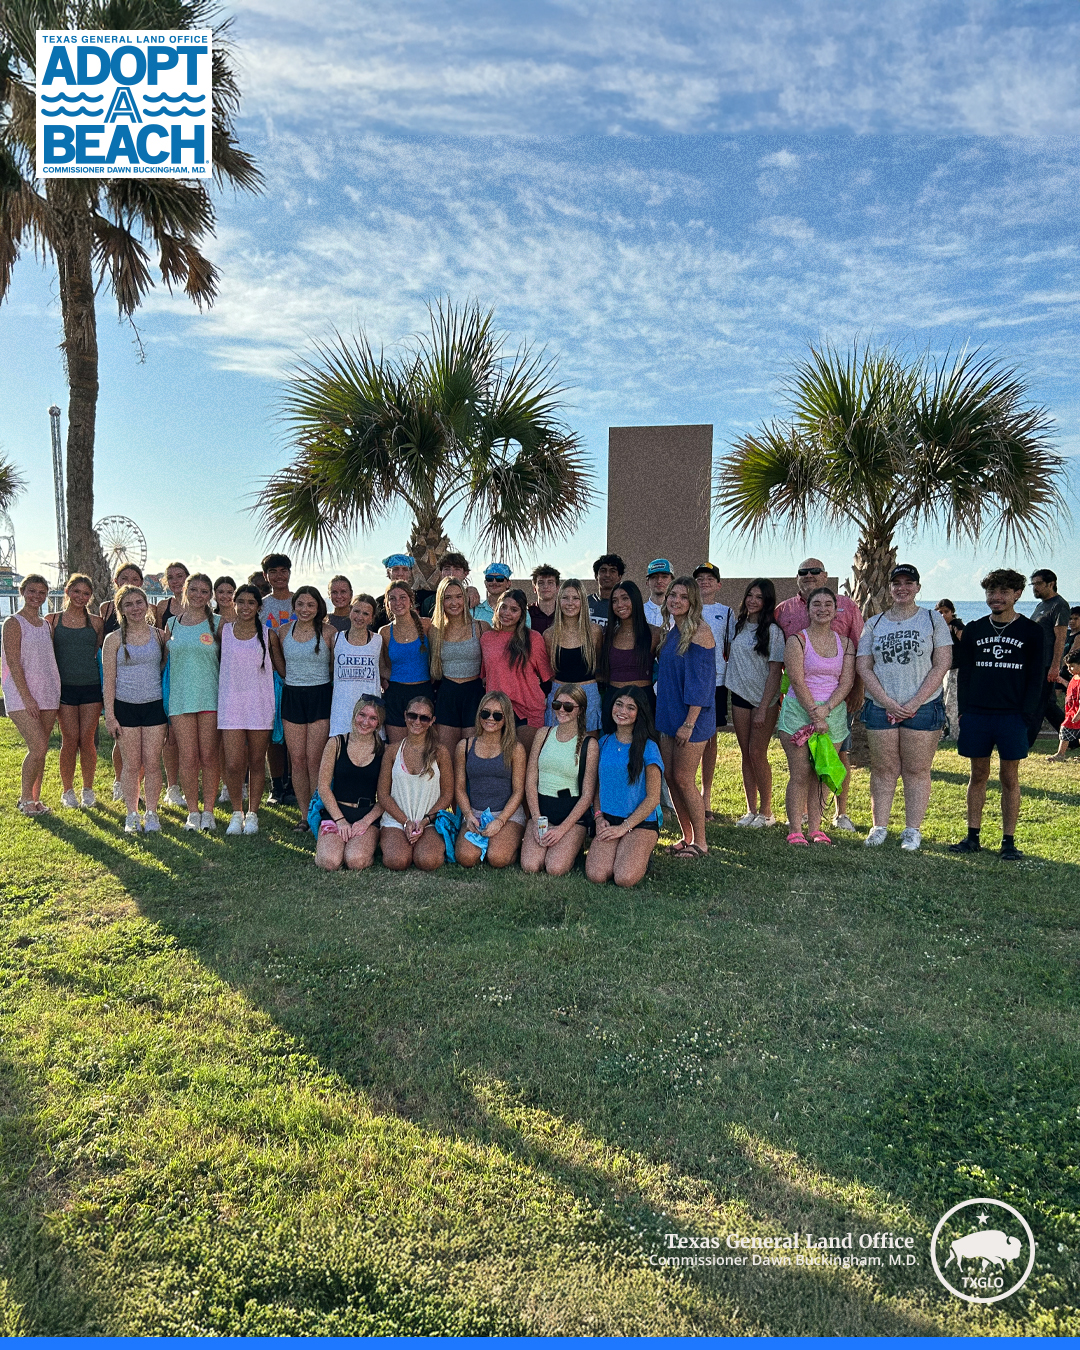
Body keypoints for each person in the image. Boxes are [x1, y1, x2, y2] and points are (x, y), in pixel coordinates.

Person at [948, 569, 1044, 860]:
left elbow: (1035, 678)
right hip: (977, 714)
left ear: (1017, 594)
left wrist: (1026, 716)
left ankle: (1008, 841)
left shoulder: (1031, 631)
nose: (996, 597)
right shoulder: (976, 629)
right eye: (991, 592)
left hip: (1012, 716)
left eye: (1003, 592)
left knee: (1009, 777)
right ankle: (972, 836)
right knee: (977, 774)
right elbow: (964, 675)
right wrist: (964, 712)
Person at [857, 565, 952, 851]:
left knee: (917, 769)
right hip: (881, 706)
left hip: (922, 707)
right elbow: (864, 664)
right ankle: (879, 827)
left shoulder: (932, 619)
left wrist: (914, 702)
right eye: (896, 583)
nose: (902, 588)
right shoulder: (875, 623)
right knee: (883, 768)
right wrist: (886, 701)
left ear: (918, 587)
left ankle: (912, 830)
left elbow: (942, 663)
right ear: (889, 588)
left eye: (908, 582)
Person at [775, 558, 864, 831]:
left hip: (833, 714)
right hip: (799, 711)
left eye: (828, 605)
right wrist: (815, 711)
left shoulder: (846, 640)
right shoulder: (794, 634)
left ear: (836, 609)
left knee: (822, 773)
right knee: (800, 774)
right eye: (817, 605)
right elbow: (797, 679)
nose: (822, 609)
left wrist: (828, 710)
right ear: (808, 610)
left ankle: (817, 827)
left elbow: (847, 679)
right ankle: (796, 830)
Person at [654, 576, 716, 858]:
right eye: (672, 595)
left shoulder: (700, 632)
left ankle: (701, 842)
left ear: (693, 602)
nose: (676, 600)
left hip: (692, 718)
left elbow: (701, 684)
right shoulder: (672, 631)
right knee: (670, 776)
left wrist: (689, 723)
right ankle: (686, 835)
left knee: (683, 777)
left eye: (683, 596)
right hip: (668, 714)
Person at [101, 585, 168, 833]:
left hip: (154, 708)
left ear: (147, 604)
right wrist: (110, 715)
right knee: (131, 764)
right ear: (121, 610)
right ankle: (132, 814)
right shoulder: (113, 639)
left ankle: (152, 813)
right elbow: (108, 681)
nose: (135, 608)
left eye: (139, 602)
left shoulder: (160, 636)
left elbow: (163, 669)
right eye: (128, 604)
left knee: (152, 763)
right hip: (125, 708)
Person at [270, 585, 336, 830]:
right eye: (300, 604)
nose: (305, 609)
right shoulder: (283, 631)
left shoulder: (329, 632)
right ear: (294, 606)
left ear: (318, 606)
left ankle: (318, 811)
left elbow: (333, 667)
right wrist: (295, 681)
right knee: (297, 760)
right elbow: (280, 665)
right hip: (293, 696)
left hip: (320, 696)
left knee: (315, 760)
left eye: (310, 605)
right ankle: (303, 814)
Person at [587, 686, 663, 887]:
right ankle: (622, 850)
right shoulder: (603, 743)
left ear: (640, 713)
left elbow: (653, 798)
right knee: (596, 874)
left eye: (631, 707)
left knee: (624, 878)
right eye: (618, 704)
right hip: (608, 819)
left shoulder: (649, 747)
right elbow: (597, 787)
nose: (622, 711)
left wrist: (624, 828)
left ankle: (641, 852)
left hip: (639, 822)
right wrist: (598, 817)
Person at [520, 682, 598, 877]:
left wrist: (562, 830)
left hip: (571, 815)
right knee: (530, 866)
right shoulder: (543, 734)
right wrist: (537, 819)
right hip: (543, 810)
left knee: (555, 868)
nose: (561, 710)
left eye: (568, 706)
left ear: (580, 710)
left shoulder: (590, 744)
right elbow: (530, 780)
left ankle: (575, 842)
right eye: (557, 705)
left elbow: (587, 794)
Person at [164, 573, 222, 831]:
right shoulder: (171, 624)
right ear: (185, 590)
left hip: (210, 697)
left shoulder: (219, 624)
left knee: (208, 756)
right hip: (180, 700)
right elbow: (164, 664)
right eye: (194, 590)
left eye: (204, 591)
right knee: (187, 758)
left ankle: (208, 810)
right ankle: (193, 812)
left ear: (210, 596)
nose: (199, 595)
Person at [217, 583, 275, 836]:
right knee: (232, 764)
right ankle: (236, 812)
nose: (245, 607)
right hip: (230, 705)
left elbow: (281, 669)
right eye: (240, 602)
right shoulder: (224, 631)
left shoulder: (268, 634)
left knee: (256, 762)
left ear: (259, 606)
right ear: (234, 603)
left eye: (251, 603)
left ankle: (253, 814)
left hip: (260, 706)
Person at [726, 578, 785, 826]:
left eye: (759, 597)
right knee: (745, 753)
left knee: (757, 752)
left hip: (764, 700)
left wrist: (763, 707)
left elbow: (775, 672)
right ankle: (750, 810)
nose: (753, 601)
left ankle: (766, 812)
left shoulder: (773, 631)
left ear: (767, 601)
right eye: (750, 595)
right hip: (739, 696)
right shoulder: (737, 626)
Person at [1, 574, 61, 816]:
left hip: (48, 691)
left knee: (42, 748)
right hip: (22, 694)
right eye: (32, 591)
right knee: (37, 747)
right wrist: (27, 698)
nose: (37, 596)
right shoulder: (13, 623)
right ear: (22, 592)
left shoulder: (46, 625)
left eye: (42, 592)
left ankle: (35, 800)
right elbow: (13, 663)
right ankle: (25, 799)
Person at [46, 573, 104, 808]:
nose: (81, 597)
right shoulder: (52, 620)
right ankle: (67, 790)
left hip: (91, 686)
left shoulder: (97, 622)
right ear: (67, 591)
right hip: (64, 689)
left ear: (90, 597)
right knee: (70, 739)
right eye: (77, 591)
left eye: (86, 594)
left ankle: (87, 789)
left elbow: (98, 655)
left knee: (87, 739)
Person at [378, 694, 453, 870]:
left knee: (428, 861)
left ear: (432, 720)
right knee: (397, 861)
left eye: (424, 718)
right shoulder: (392, 751)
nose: (417, 721)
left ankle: (421, 845)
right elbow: (383, 794)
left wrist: (425, 820)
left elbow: (447, 794)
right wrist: (405, 822)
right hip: (397, 820)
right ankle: (400, 844)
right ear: (405, 716)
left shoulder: (440, 752)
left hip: (429, 821)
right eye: (412, 716)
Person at [454, 691, 527, 869]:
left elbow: (518, 791)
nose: (490, 719)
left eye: (497, 715)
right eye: (485, 713)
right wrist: (469, 816)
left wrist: (501, 820)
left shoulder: (515, 748)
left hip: (507, 814)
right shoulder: (465, 746)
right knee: (465, 858)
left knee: (498, 858)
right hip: (475, 813)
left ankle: (509, 844)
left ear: (506, 718)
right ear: (479, 715)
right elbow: (460, 788)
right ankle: (488, 844)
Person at [315, 695, 385, 871]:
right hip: (337, 811)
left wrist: (366, 821)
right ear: (354, 714)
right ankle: (333, 845)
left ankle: (364, 846)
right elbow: (323, 787)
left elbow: (386, 795)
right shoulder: (336, 743)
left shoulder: (384, 750)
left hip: (367, 814)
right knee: (329, 862)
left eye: (373, 718)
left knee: (355, 860)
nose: (365, 722)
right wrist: (340, 821)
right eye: (362, 715)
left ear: (379, 723)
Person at [480, 587, 553, 752]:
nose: (507, 613)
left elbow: (547, 678)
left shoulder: (533, 638)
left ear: (522, 614)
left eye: (514, 610)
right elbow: (486, 677)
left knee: (525, 763)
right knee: (501, 765)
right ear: (497, 607)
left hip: (528, 711)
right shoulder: (487, 638)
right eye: (503, 607)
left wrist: (540, 699)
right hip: (496, 712)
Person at [692, 563, 737, 821]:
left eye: (710, 578)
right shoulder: (684, 607)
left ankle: (705, 795)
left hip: (716, 683)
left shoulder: (726, 613)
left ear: (719, 584)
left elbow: (731, 647)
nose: (704, 582)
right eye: (699, 578)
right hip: (688, 682)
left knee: (709, 739)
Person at [99, 563, 147, 799]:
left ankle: (136, 784)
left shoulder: (148, 611)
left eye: (135, 578)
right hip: (117, 678)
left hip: (145, 680)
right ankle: (121, 781)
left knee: (145, 744)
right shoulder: (106, 609)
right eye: (124, 577)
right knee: (122, 739)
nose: (129, 581)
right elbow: (101, 645)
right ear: (115, 582)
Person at [429, 578, 489, 749]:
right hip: (447, 694)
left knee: (470, 754)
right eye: (448, 598)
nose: (454, 603)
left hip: (474, 695)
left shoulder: (481, 627)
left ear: (465, 598)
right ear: (441, 601)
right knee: (446, 753)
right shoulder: (435, 630)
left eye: (458, 597)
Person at [258, 553, 295, 806]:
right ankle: (277, 784)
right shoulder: (261, 606)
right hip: (267, 675)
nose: (279, 576)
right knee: (273, 733)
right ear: (265, 576)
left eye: (283, 570)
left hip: (298, 675)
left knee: (294, 732)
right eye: (274, 571)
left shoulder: (301, 601)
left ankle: (294, 782)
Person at [543, 579, 604, 731]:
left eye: (576, 598)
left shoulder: (595, 631)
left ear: (583, 601)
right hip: (559, 695)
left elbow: (600, 665)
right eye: (565, 598)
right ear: (559, 600)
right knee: (557, 745)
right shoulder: (549, 635)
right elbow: (548, 671)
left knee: (589, 747)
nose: (570, 603)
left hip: (588, 695)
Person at [378, 581, 433, 746]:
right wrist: (397, 679)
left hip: (424, 693)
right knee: (398, 749)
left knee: (424, 749)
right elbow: (383, 666)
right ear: (387, 603)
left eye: (402, 597)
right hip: (396, 696)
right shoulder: (385, 632)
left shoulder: (427, 625)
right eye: (392, 599)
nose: (398, 602)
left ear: (411, 599)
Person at [598, 580, 663, 714]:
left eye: (625, 598)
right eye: (614, 601)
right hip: (613, 702)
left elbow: (669, 673)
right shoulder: (607, 635)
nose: (619, 604)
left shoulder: (655, 634)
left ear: (636, 599)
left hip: (644, 703)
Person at [154, 560, 188, 807]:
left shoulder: (202, 604)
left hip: (197, 676)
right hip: (169, 675)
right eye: (171, 577)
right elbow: (158, 641)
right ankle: (173, 786)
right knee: (170, 735)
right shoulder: (161, 608)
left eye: (180, 576)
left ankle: (193, 786)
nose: (176, 581)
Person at [329, 593, 382, 737]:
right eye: (357, 611)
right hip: (342, 712)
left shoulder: (378, 640)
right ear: (350, 611)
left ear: (371, 618)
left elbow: (384, 669)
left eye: (366, 613)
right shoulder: (336, 638)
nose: (360, 617)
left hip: (369, 712)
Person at [1029, 569, 1070, 747]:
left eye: (1038, 584)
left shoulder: (1059, 605)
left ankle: (1026, 740)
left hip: (1046, 664)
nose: (1034, 588)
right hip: (1034, 662)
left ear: (1050, 583)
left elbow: (1060, 639)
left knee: (1038, 704)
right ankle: (1073, 738)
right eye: (1033, 584)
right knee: (1047, 705)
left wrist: (1055, 667)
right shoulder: (1041, 605)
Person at [935, 599, 965, 741]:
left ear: (952, 612)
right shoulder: (940, 627)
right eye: (940, 612)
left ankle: (955, 734)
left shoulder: (956, 626)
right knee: (944, 702)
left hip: (957, 669)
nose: (943, 615)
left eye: (946, 612)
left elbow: (966, 644)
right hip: (946, 670)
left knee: (952, 703)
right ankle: (948, 731)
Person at [419, 553, 480, 618]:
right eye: (447, 569)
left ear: (465, 574)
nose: (451, 573)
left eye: (457, 569)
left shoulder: (471, 598)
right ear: (440, 573)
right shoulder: (429, 602)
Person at [1046, 649, 1080, 762]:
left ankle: (1060, 754)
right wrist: (1062, 681)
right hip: (1072, 712)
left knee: (1065, 731)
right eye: (1068, 667)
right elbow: (1071, 687)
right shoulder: (1075, 678)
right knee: (1065, 731)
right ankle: (1060, 754)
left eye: (1072, 666)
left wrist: (1078, 714)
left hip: (1077, 713)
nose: (1069, 669)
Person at [373, 555, 422, 629]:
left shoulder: (421, 598)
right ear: (388, 573)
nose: (400, 573)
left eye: (405, 569)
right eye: (396, 569)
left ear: (410, 573)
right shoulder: (378, 603)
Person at [588, 554, 625, 629]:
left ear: (619, 577)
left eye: (613, 571)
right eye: (603, 570)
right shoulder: (585, 602)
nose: (607, 575)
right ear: (596, 576)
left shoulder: (624, 606)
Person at [528, 564, 560, 635]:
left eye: (550, 582)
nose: (546, 586)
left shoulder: (564, 613)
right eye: (541, 583)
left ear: (557, 588)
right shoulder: (526, 614)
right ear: (534, 588)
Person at [643, 559, 673, 628]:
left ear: (672, 581)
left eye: (664, 577)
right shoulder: (639, 612)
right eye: (654, 577)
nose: (659, 581)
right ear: (647, 583)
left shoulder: (678, 611)